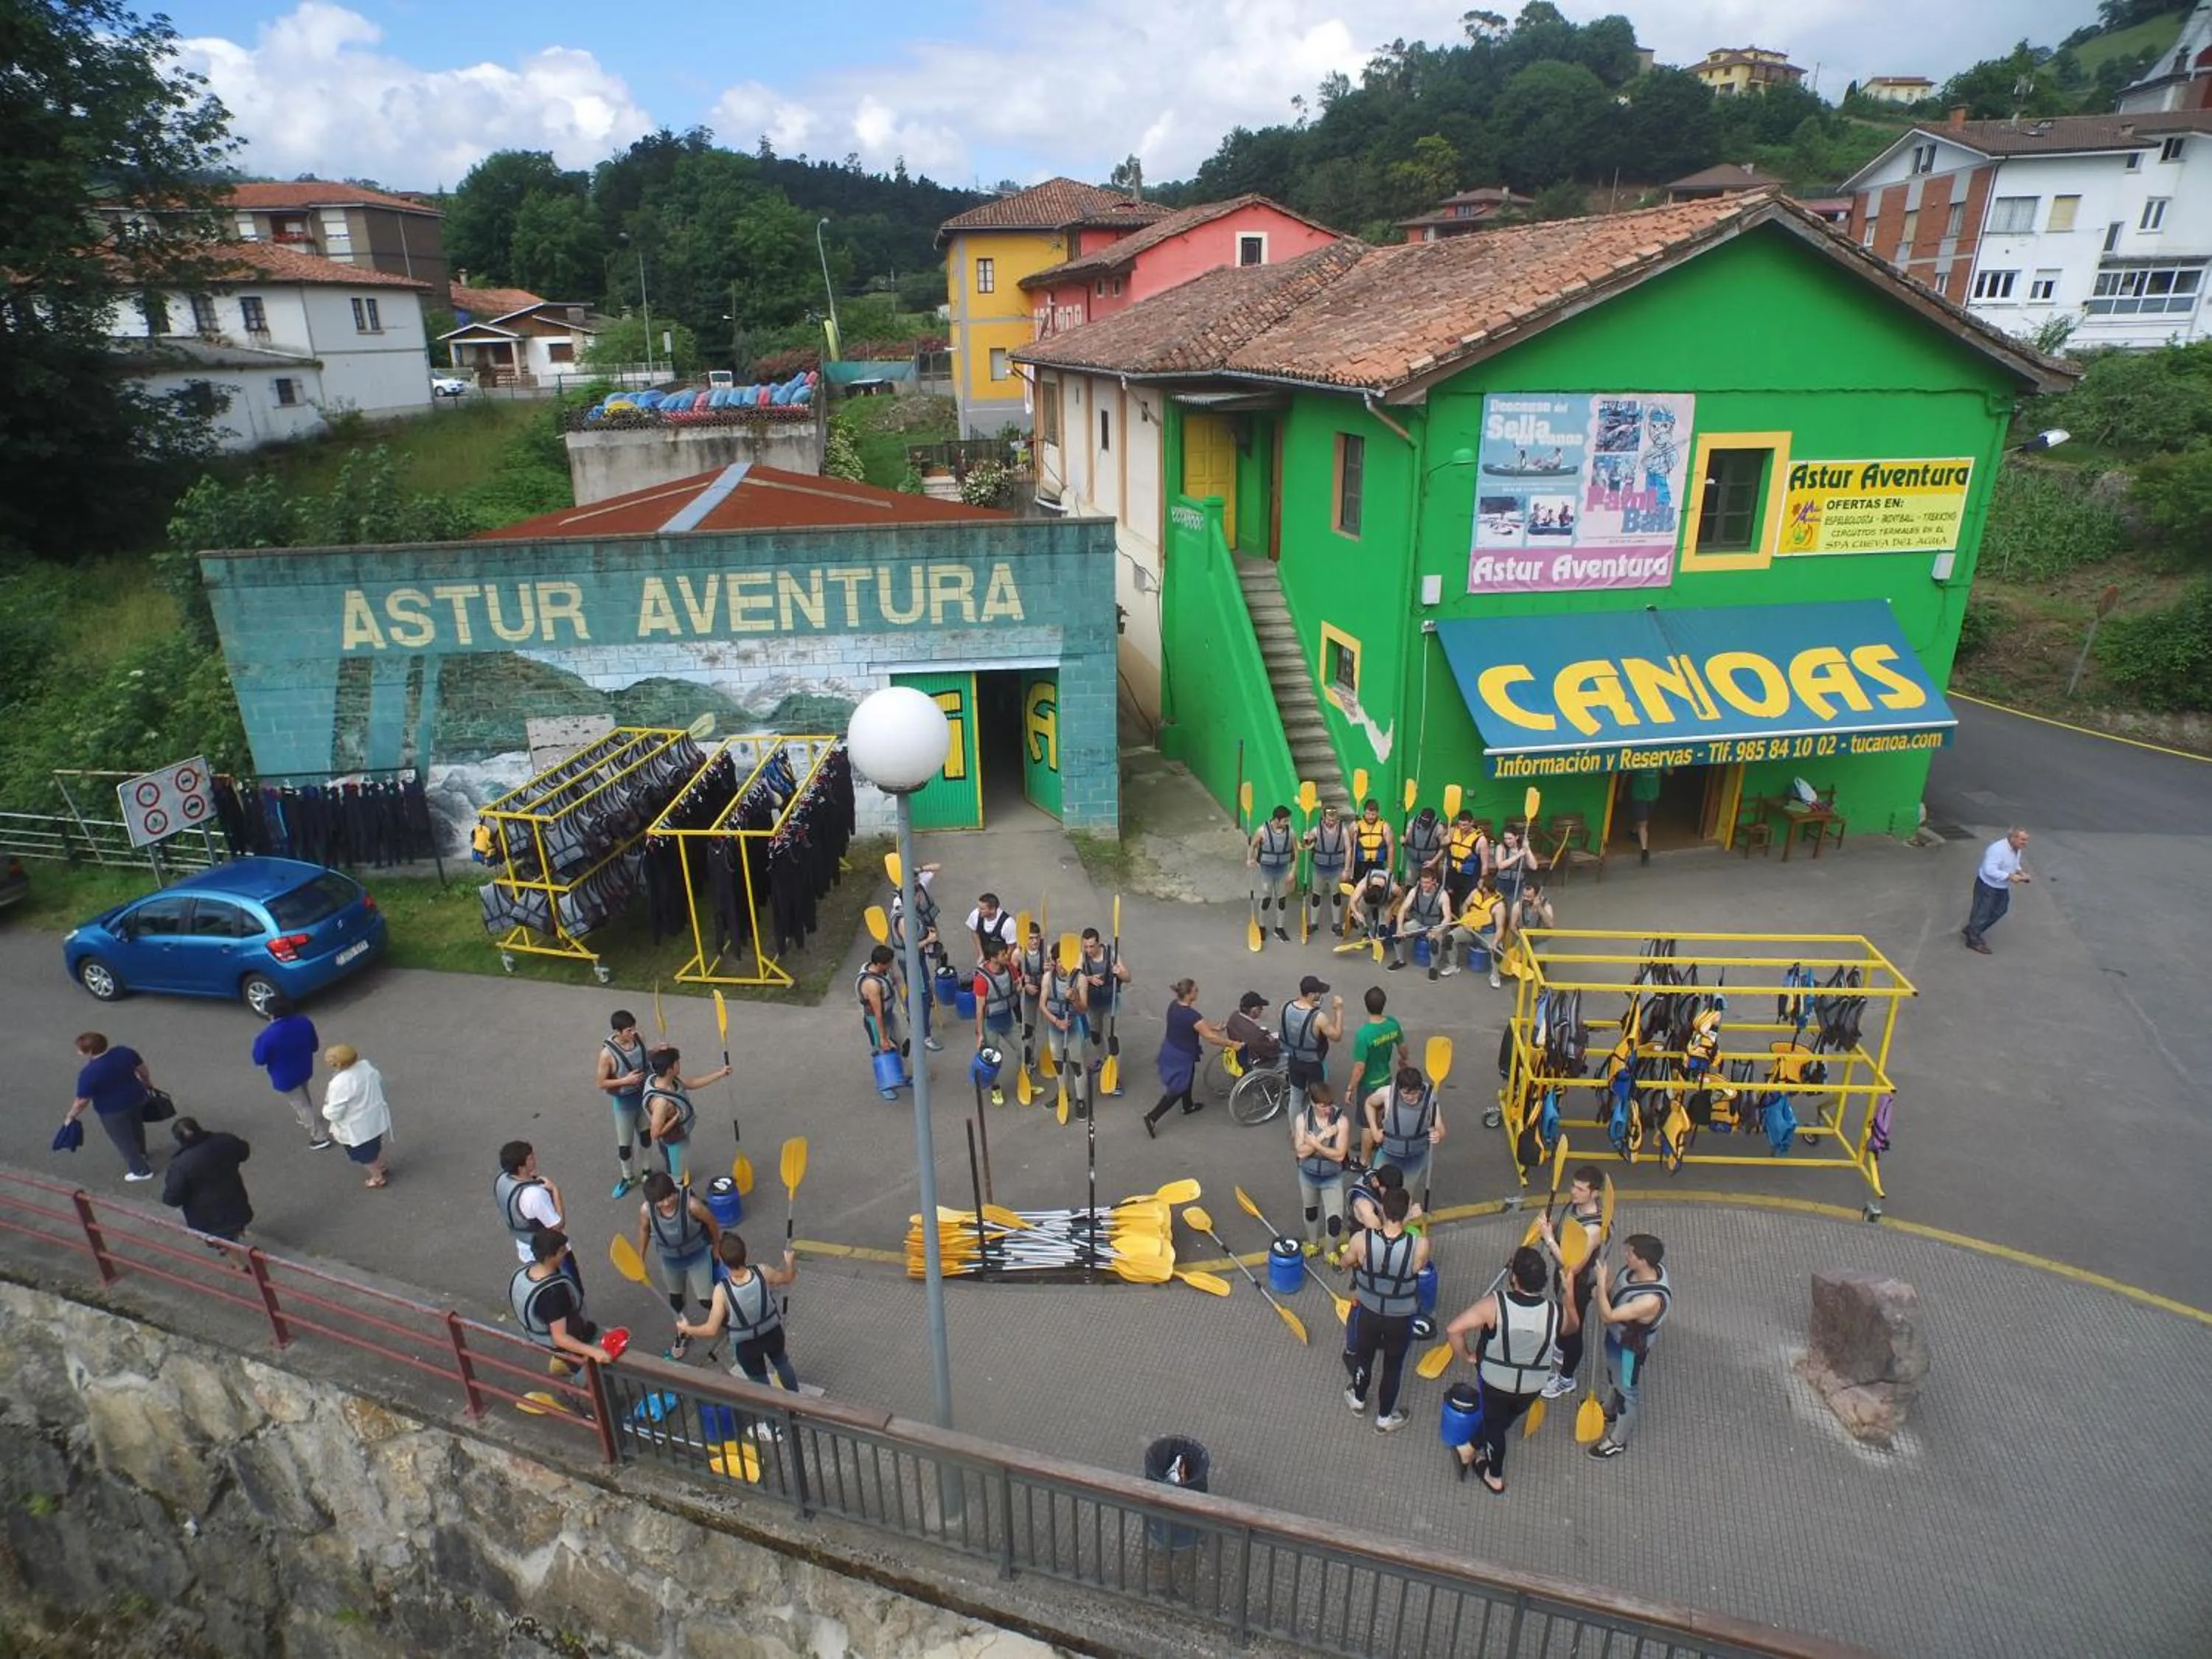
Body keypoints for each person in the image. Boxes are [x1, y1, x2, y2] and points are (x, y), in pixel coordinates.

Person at [1445, 1245, 1559, 1492]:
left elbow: (1454, 1329)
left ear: (1514, 1278)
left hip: (1496, 1382)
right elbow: (1570, 1332)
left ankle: (1493, 1476)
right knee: (1504, 1418)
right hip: (1533, 1386)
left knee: (1496, 1427)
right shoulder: (1554, 1311)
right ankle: (1469, 1446)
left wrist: (1467, 1355)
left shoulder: (1494, 1305)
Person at [1342, 1187, 1427, 1433]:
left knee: (1364, 1357)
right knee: (1393, 1366)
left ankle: (1358, 1400)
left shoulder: (1362, 1240)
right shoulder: (1420, 1244)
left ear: (1381, 1209)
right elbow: (1416, 1268)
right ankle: (1384, 1418)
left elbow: (1345, 1262)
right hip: (1400, 1318)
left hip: (1368, 1313)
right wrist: (1411, 1219)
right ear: (1407, 1211)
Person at [1585, 1233, 1672, 1460]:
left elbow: (1608, 1316)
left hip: (1629, 1350)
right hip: (1616, 1341)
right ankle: (1609, 1409)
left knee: (1626, 1390)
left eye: (1630, 1253)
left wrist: (1602, 1285)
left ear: (1643, 1261)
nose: (1625, 1255)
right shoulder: (1636, 1271)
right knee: (1614, 1377)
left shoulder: (1649, 1300)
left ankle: (1617, 1440)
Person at [678, 1232, 799, 1394]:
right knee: (782, 1363)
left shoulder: (722, 1291)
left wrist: (687, 1329)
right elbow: (788, 1278)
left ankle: (772, 1416)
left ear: (722, 1261)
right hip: (772, 1333)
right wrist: (789, 1262)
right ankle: (798, 1404)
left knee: (759, 1383)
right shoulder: (763, 1271)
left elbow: (711, 1329)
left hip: (747, 1345)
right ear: (745, 1254)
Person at [1537, 1165, 1607, 1399]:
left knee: (1573, 1330)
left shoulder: (1593, 1229)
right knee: (1561, 1322)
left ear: (1594, 1193)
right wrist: (1553, 1230)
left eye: (1580, 1189)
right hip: (1563, 1278)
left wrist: (1548, 1240)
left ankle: (1566, 1378)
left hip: (1577, 1284)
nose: (1573, 1192)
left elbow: (1574, 1266)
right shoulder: (1575, 1206)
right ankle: (1559, 1348)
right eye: (1573, 1186)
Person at [637, 1171, 721, 1358]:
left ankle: (729, 1323)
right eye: (660, 1200)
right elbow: (644, 1230)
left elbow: (712, 1223)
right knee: (676, 1300)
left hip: (697, 1256)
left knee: (707, 1300)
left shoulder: (691, 1205)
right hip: (670, 1261)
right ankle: (683, 1333)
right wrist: (640, 1257)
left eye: (669, 1196)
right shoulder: (646, 1211)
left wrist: (716, 1246)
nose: (666, 1203)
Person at [510, 1228, 613, 1377]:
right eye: (562, 1251)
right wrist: (594, 1352)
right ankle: (576, 1388)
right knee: (595, 1374)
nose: (566, 1252)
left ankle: (562, 1363)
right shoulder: (555, 1293)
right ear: (550, 1256)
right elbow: (560, 1337)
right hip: (565, 1340)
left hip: (540, 1335)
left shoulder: (524, 1273)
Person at [1144, 978, 1233, 1136]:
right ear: (1190, 994)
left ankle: (1188, 1105)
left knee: (1189, 1075)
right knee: (1177, 1089)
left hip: (1171, 1048)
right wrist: (1232, 1044)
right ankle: (1152, 1117)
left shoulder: (1174, 1006)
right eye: (1196, 990)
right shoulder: (1192, 1016)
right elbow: (1210, 1038)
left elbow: (1199, 1026)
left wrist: (1214, 1027)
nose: (1198, 991)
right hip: (1182, 1055)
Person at [63, 1032, 156, 1181]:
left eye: (81, 1050)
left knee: (124, 1140)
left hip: (112, 1110)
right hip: (137, 1097)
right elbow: (142, 1069)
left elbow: (82, 1100)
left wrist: (71, 1115)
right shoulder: (125, 1052)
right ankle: (142, 1152)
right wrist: (147, 1082)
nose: (79, 1052)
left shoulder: (89, 1073)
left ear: (90, 1052)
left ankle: (141, 1171)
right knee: (136, 1126)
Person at [251, 995, 330, 1150]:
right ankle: (309, 1117)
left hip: (285, 1076)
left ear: (270, 1014)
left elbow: (259, 1059)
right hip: (305, 1067)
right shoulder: (304, 1022)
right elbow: (314, 1045)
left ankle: (319, 1137)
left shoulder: (267, 1036)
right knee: (304, 1094)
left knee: (300, 1105)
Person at [161, 1117, 253, 1250]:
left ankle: (239, 1265)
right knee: (236, 1218)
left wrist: (169, 1199)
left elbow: (173, 1195)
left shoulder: (181, 1165)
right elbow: (244, 1152)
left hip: (207, 1212)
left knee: (222, 1239)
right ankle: (239, 1231)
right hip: (234, 1192)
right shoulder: (224, 1140)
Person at [642, 1046, 728, 1186]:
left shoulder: (665, 1079)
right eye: (677, 1062)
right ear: (670, 1069)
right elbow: (655, 1133)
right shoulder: (661, 1103)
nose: (680, 1064)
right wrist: (675, 1119)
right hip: (673, 1142)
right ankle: (682, 1197)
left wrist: (720, 1074)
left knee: (675, 1168)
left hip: (677, 1138)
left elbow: (693, 1083)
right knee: (679, 1177)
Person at [1290, 1080, 1351, 1253]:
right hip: (1308, 1176)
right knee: (1310, 1212)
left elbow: (1339, 1155)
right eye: (1323, 1106)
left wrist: (1315, 1144)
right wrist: (1324, 1136)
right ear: (1313, 1103)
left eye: (1330, 1105)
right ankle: (1313, 1244)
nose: (1328, 1110)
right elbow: (1300, 1153)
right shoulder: (1302, 1119)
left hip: (1332, 1178)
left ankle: (1330, 1252)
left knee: (1335, 1221)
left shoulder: (1341, 1121)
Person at [1367, 1064, 1445, 1197]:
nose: (1410, 1097)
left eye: (1415, 1093)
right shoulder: (1387, 1093)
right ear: (1399, 1088)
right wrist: (1374, 1130)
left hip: (1415, 1156)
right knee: (1377, 1190)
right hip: (1388, 1153)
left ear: (1420, 1088)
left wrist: (1438, 1134)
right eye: (1406, 1093)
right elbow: (1369, 1103)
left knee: (1404, 1195)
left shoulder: (1430, 1098)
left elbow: (1440, 1126)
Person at [596, 1009, 652, 1196]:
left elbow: (644, 1056)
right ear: (618, 1032)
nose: (633, 1032)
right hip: (625, 1103)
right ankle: (628, 1177)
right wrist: (625, 1081)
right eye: (628, 1030)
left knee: (646, 1137)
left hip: (643, 1096)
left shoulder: (639, 1038)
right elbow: (601, 1083)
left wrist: (657, 1051)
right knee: (625, 1145)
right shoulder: (607, 1055)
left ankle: (647, 1171)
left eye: (634, 1028)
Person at [320, 1044, 391, 1189]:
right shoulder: (365, 1067)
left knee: (364, 1155)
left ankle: (377, 1177)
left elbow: (335, 1111)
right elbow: (377, 1078)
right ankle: (380, 1165)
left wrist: (325, 1111)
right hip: (374, 1118)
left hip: (358, 1127)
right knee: (374, 1144)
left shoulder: (340, 1083)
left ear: (337, 1064)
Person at [1345, 987, 1402, 1161]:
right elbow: (1403, 1047)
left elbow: (1360, 1067)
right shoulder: (1393, 1024)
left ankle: (1364, 1160)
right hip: (1386, 1078)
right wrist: (1404, 1060)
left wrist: (1350, 1088)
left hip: (1369, 1084)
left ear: (1366, 1005)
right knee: (1380, 1114)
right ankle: (1376, 1143)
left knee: (1366, 1123)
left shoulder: (1364, 1034)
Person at [1078, 927, 1131, 1100]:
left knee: (1112, 1039)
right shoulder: (1082, 957)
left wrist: (1119, 972)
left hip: (1110, 1003)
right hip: (1093, 1004)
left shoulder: (1112, 954)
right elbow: (1074, 975)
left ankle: (1114, 1077)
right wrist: (1088, 978)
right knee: (1095, 1036)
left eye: (1091, 946)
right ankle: (1102, 1060)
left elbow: (1128, 977)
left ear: (1098, 943)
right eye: (1085, 946)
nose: (1088, 950)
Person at [495, 1139, 567, 1267]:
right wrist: (556, 1191)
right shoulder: (535, 1195)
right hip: (550, 1254)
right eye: (530, 1158)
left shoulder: (503, 1180)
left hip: (525, 1248)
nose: (534, 1159)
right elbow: (558, 1225)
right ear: (521, 1167)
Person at [1963, 827, 2031, 956]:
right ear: (2013, 838)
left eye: (2026, 840)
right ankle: (1973, 940)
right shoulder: (1997, 850)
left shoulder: (2017, 849)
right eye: (2023, 840)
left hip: (2001, 886)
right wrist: (2009, 876)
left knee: (2000, 910)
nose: (2025, 843)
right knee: (1982, 912)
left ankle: (1973, 929)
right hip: (1987, 886)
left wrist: (2020, 872)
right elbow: (1989, 870)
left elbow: (2014, 864)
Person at [1280, 975, 1343, 1114]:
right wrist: (1338, 1010)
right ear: (1311, 994)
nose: (1320, 995)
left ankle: (1295, 1131)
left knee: (1295, 1098)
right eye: (1318, 992)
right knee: (1318, 1098)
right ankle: (1315, 1127)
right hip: (1313, 1063)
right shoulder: (1318, 1017)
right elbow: (1337, 1036)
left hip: (1293, 1059)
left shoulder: (1285, 1007)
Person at [973, 938, 1023, 1105]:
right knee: (992, 1061)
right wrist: (979, 1034)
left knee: (1023, 1050)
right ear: (993, 958)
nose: (1006, 955)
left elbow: (1016, 985)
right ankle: (995, 1089)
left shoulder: (1009, 969)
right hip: (991, 1024)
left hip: (1008, 1020)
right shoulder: (981, 979)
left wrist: (1020, 986)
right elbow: (979, 1008)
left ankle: (1024, 1081)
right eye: (1003, 954)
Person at [1248, 804, 1298, 943]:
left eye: (1288, 820)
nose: (1288, 823)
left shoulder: (1291, 832)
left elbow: (1296, 852)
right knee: (1266, 898)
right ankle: (1262, 926)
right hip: (1267, 870)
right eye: (1285, 820)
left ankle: (1279, 928)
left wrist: (1293, 871)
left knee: (1282, 899)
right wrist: (1250, 859)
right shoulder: (1262, 831)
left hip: (1282, 870)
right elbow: (1252, 846)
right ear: (1277, 820)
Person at [1445, 877, 1508, 987]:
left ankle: (1495, 975)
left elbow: (1500, 928)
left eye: (1480, 884)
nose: (1477, 885)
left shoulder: (1499, 906)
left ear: (1485, 890)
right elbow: (1464, 906)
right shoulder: (1475, 892)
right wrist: (1465, 920)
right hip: (1470, 930)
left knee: (1498, 951)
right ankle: (1452, 966)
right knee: (1449, 938)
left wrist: (1495, 942)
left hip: (1487, 934)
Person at [1038, 945, 1088, 1081]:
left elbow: (1083, 1009)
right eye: (1061, 961)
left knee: (1077, 1065)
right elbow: (1042, 1005)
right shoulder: (1048, 978)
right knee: (1058, 1064)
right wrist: (1057, 1022)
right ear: (1054, 962)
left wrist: (1074, 999)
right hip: (1055, 1028)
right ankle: (1062, 1095)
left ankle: (1080, 1100)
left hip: (1074, 1026)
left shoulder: (1080, 979)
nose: (1064, 966)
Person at [1391, 870, 1451, 978]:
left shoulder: (1443, 895)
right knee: (1397, 936)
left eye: (1427, 883)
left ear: (1434, 881)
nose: (1424, 885)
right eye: (1422, 882)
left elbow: (1447, 918)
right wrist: (1400, 928)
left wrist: (1438, 931)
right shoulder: (1415, 891)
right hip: (1418, 923)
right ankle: (1400, 961)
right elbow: (1403, 909)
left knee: (1435, 944)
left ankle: (1434, 968)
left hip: (1435, 926)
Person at [1304, 804, 1352, 935]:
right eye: (1329, 820)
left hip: (1336, 869)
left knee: (1336, 896)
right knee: (1316, 896)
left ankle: (1336, 925)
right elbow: (1307, 844)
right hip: (1320, 868)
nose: (1331, 822)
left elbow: (1348, 850)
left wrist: (1347, 869)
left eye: (1333, 820)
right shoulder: (1316, 830)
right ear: (1324, 818)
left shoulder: (1343, 830)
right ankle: (1313, 923)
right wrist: (1306, 839)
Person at [1223, 990, 1281, 1071]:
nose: (1262, 1011)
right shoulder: (1254, 1034)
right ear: (1254, 1010)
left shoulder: (1234, 1016)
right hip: (1252, 1059)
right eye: (1261, 1008)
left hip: (1239, 1053)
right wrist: (1275, 1041)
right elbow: (1270, 1050)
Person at [1344, 866, 1399, 949]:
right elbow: (1353, 901)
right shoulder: (1363, 884)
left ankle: (1380, 936)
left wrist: (1390, 908)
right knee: (1357, 914)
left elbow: (1401, 896)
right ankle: (1365, 934)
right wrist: (1357, 913)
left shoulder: (1393, 887)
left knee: (1384, 921)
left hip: (1384, 901)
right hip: (1368, 900)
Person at [1443, 810, 1489, 909]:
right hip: (1453, 873)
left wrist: (1482, 879)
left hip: (1469, 877)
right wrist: (1445, 840)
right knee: (1450, 901)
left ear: (1472, 823)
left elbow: (1485, 864)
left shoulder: (1481, 840)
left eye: (1465, 825)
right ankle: (1451, 924)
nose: (1462, 828)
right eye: (1460, 824)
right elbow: (1442, 844)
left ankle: (1466, 923)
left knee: (1466, 903)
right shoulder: (1453, 831)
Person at [1492, 826, 1538, 910]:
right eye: (1505, 838)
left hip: (1519, 883)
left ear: (1516, 837)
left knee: (1516, 909)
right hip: (1502, 883)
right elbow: (1500, 865)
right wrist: (1518, 855)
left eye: (1510, 838)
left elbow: (1534, 867)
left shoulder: (1523, 849)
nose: (1507, 841)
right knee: (1500, 908)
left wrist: (1528, 849)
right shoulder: (1501, 847)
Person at [1350, 798, 1394, 883]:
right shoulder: (1356, 825)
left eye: (1373, 814)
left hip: (1377, 864)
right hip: (1361, 864)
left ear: (1377, 813)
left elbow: (1391, 848)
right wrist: (1352, 831)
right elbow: (1350, 845)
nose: (1370, 817)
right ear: (1364, 812)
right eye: (1368, 814)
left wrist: (1390, 869)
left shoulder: (1385, 826)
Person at [965, 891, 1018, 964]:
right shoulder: (975, 914)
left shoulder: (1008, 924)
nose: (979, 911)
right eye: (979, 907)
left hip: (1002, 959)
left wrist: (1004, 959)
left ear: (993, 910)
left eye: (982, 909)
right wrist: (981, 954)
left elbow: (1012, 946)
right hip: (986, 956)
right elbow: (974, 932)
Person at [1627, 768, 1665, 866]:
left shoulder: (1660, 758)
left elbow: (1671, 772)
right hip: (1639, 796)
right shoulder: (1637, 758)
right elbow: (1625, 773)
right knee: (1644, 823)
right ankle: (1644, 851)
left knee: (1643, 819)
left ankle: (1634, 832)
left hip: (1653, 795)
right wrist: (1620, 791)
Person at [1401, 805, 1444, 887]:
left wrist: (1433, 862)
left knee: (1428, 885)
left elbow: (1442, 848)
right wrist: (1403, 839)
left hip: (1429, 862)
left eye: (1427, 822)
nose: (1424, 824)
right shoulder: (1412, 823)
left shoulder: (1439, 828)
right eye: (1423, 821)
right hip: (1412, 861)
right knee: (1409, 882)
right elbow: (1406, 837)